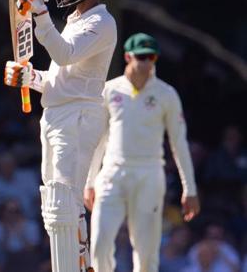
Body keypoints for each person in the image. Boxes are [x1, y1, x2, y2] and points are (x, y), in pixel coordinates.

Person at [4, 0, 116, 272]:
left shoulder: (102, 22)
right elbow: (63, 79)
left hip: (79, 117)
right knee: (53, 201)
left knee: (66, 199)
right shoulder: (75, 21)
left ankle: (80, 267)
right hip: (57, 114)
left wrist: (39, 11)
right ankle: (70, 265)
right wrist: (30, 77)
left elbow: (65, 55)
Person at [83, 33, 200, 272]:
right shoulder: (110, 90)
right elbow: (99, 139)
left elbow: (179, 143)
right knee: (99, 243)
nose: (146, 63)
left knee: (146, 254)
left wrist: (190, 189)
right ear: (128, 56)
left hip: (149, 173)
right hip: (112, 172)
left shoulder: (166, 94)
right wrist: (89, 181)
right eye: (141, 57)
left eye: (151, 57)